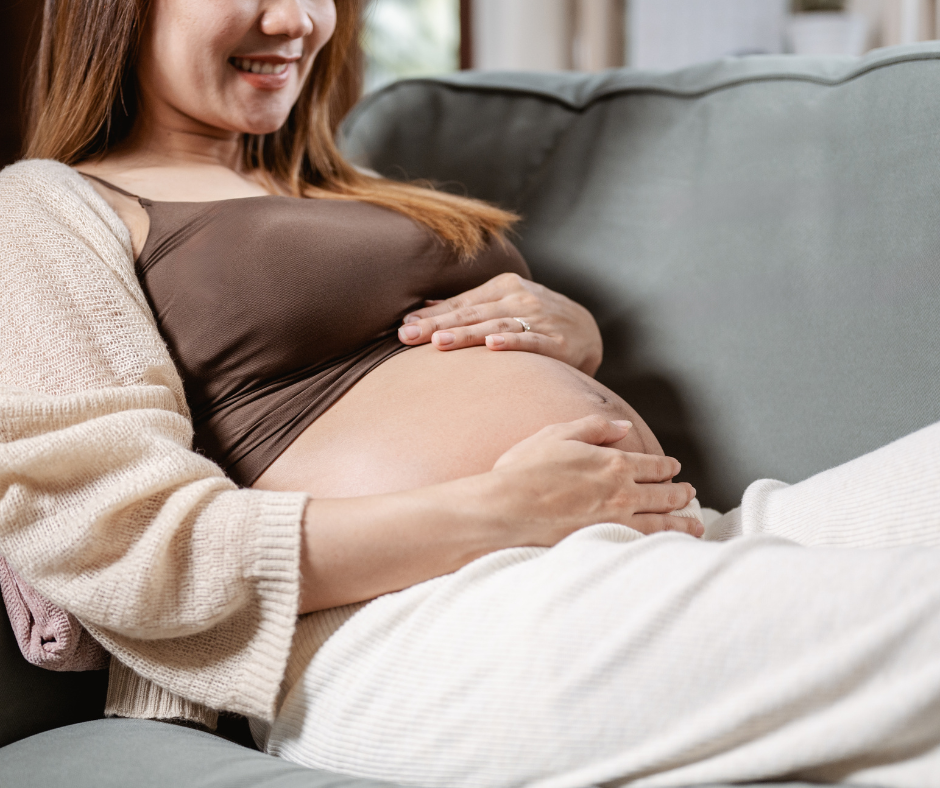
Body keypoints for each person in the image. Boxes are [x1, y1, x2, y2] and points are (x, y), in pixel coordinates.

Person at [3, 1, 940, 787]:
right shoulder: (46, 205)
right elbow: (123, 547)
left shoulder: (348, 188)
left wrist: (572, 335)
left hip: (674, 534)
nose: (297, 20)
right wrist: (499, 509)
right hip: (409, 625)